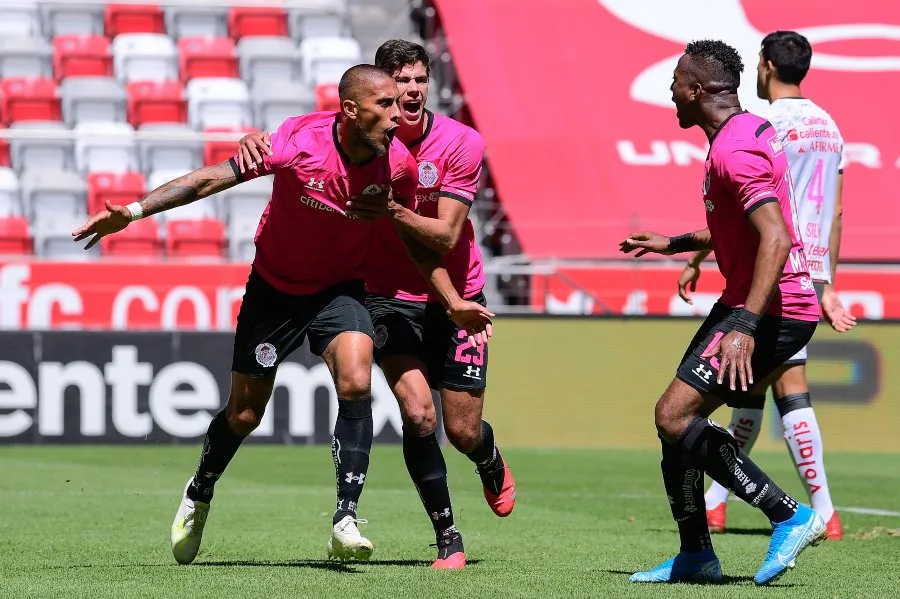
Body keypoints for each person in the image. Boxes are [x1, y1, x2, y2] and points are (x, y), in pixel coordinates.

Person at [72, 64, 493, 565]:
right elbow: (210, 180)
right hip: (275, 289)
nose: (396, 115)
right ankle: (201, 488)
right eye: (383, 105)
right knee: (245, 413)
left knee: (357, 378)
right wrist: (136, 213)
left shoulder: (396, 166)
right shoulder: (299, 142)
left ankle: (346, 516)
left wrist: (451, 300)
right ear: (351, 110)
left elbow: (410, 242)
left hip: (341, 290)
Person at [237, 40, 516, 570]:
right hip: (386, 297)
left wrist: (390, 209)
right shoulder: (347, 131)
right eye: (396, 84)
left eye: (417, 81)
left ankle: (488, 455)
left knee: (462, 430)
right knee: (417, 412)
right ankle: (448, 538)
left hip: (459, 292)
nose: (407, 94)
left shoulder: (460, 143)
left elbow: (443, 236)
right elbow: (291, 141)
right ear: (377, 91)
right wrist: (256, 141)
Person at [619, 40, 826, 585]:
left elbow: (776, 237)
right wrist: (677, 243)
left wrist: (744, 325)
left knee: (673, 416)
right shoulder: (742, 134)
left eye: (676, 82)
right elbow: (745, 224)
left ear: (697, 90)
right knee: (674, 422)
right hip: (750, 300)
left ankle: (789, 514)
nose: (670, 90)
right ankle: (695, 556)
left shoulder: (733, 151)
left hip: (775, 308)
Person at [676, 31, 855, 541]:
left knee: (776, 388)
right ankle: (719, 505)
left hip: (775, 280)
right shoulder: (829, 127)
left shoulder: (759, 125)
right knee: (750, 390)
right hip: (808, 271)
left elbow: (758, 218)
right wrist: (828, 283)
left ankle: (815, 512)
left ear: (767, 64)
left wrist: (700, 259)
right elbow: (834, 211)